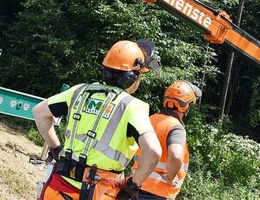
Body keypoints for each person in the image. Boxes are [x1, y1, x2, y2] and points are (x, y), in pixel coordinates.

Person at [33, 39, 163, 200]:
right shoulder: (132, 106)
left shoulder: (79, 91)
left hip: (59, 188)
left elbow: (39, 112)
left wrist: (56, 148)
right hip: (98, 192)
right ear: (131, 77)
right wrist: (132, 186)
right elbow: (153, 152)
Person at [131, 81, 201, 200]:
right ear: (186, 106)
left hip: (136, 186)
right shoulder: (176, 128)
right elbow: (175, 155)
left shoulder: (149, 120)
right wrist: (169, 177)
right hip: (159, 192)